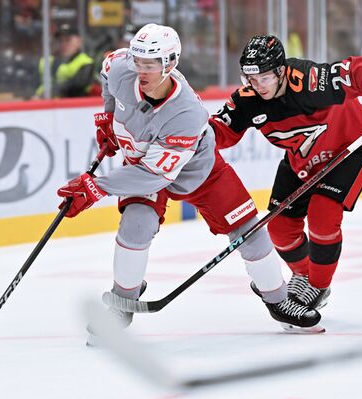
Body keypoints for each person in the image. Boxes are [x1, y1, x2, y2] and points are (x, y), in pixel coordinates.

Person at [56, 24, 322, 345]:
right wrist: (107, 117)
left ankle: (279, 300)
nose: (141, 70)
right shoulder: (122, 66)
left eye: (151, 64)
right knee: (135, 227)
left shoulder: (186, 113)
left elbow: (156, 176)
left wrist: (96, 186)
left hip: (200, 171)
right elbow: (107, 73)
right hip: (144, 162)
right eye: (139, 61)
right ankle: (122, 302)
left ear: (170, 63)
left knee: (249, 232)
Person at [209, 35, 362, 310]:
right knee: (278, 228)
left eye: (264, 78)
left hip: (349, 148)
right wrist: (184, 141)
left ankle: (319, 286)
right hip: (302, 160)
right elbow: (218, 131)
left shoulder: (311, 81)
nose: (257, 86)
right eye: (250, 79)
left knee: (323, 217)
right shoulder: (248, 100)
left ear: (281, 71)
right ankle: (303, 275)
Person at [34, 24, 95, 98]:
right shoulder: (47, 60)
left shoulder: (86, 62)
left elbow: (77, 86)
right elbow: (33, 82)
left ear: (79, 41)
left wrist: (52, 91)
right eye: (60, 41)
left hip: (72, 106)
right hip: (42, 103)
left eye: (67, 40)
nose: (63, 44)